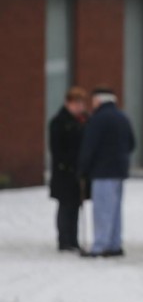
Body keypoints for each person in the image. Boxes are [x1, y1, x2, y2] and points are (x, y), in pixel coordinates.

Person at [78, 88, 135, 258]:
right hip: (119, 171)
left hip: (102, 172)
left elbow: (89, 146)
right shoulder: (123, 117)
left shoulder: (98, 120)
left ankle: (100, 246)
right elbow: (132, 143)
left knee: (102, 210)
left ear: (99, 101)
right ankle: (114, 243)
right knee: (115, 210)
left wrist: (83, 169)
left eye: (93, 100)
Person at [49, 87, 89, 252]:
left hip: (78, 173)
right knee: (65, 206)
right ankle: (64, 240)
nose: (80, 107)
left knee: (76, 206)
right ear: (68, 103)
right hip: (64, 173)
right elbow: (56, 149)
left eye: (82, 103)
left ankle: (73, 239)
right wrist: (71, 162)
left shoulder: (84, 121)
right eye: (76, 103)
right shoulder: (59, 122)